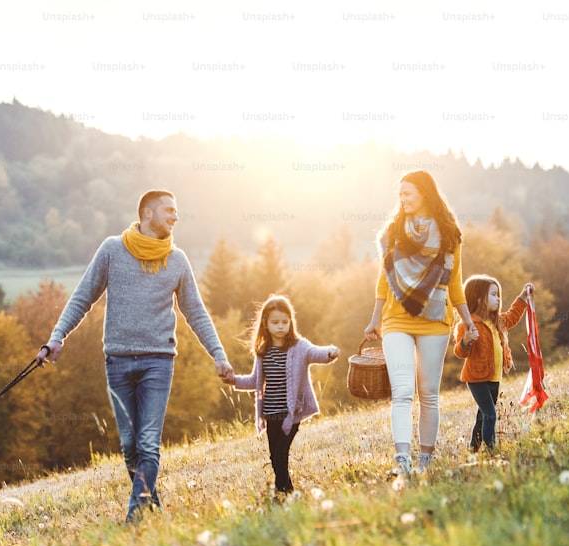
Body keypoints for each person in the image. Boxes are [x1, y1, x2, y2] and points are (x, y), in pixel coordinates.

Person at [37, 189, 234, 523]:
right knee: (130, 446)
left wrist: (219, 354)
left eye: (176, 211)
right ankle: (152, 507)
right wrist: (57, 337)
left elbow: (196, 313)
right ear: (147, 214)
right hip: (117, 361)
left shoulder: (178, 260)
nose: (175, 216)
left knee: (147, 443)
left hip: (158, 362)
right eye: (169, 210)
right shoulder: (113, 250)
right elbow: (83, 296)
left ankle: (135, 518)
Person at [363, 170, 477, 477]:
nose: (402, 199)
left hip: (435, 320)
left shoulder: (449, 233)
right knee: (402, 391)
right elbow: (384, 280)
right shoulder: (392, 232)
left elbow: (455, 283)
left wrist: (467, 321)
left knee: (428, 393)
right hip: (396, 319)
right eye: (400, 194)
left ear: (424, 194)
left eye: (408, 194)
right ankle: (403, 460)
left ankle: (426, 461)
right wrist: (375, 319)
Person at [226, 295, 339, 495]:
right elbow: (255, 381)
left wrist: (329, 352)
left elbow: (316, 353)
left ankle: (283, 492)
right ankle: (287, 490)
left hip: (290, 414)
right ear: (265, 324)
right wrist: (234, 380)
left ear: (291, 322)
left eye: (285, 322)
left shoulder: (299, 347)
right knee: (274, 457)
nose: (280, 327)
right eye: (275, 322)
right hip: (271, 413)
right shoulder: (263, 351)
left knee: (280, 454)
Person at [453, 275, 534, 453]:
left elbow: (512, 317)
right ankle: (492, 450)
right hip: (476, 379)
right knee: (490, 414)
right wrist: (466, 341)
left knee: (483, 416)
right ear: (480, 298)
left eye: (498, 295)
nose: (498, 298)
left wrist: (522, 297)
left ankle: (473, 449)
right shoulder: (468, 325)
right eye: (494, 294)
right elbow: (460, 352)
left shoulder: (496, 321)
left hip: (494, 377)